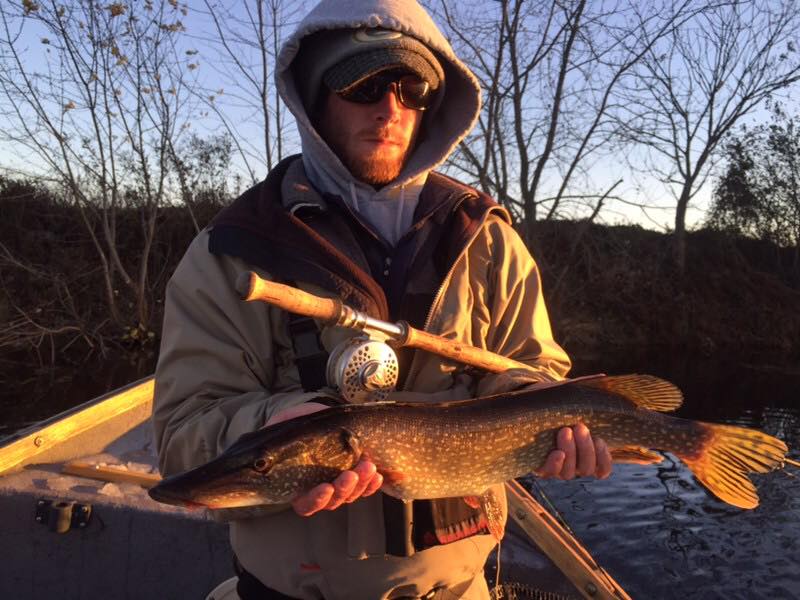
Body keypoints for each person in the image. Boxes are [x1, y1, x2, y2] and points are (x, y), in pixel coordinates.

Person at [152, 1, 612, 598]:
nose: (390, 107)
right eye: (364, 83)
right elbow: (181, 439)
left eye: (412, 88)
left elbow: (535, 370)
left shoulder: (488, 240)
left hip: (460, 588)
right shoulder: (233, 250)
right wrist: (274, 428)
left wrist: (546, 413)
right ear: (317, 100)